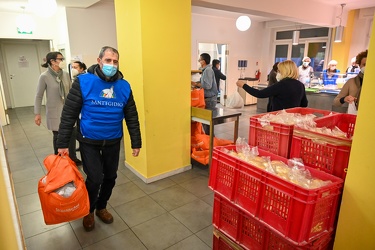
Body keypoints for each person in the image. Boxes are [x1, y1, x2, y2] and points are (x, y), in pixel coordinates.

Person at [56, 46, 141, 232]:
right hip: (89, 140)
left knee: (110, 176)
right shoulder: (83, 82)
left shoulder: (124, 86)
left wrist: (136, 142)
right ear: (99, 60)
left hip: (112, 140)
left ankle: (102, 206)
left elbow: (132, 116)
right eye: (108, 60)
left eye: (115, 61)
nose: (112, 64)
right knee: (95, 178)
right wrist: (62, 144)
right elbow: (69, 114)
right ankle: (89, 210)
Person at [34, 52, 82, 165]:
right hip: (54, 112)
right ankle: (59, 161)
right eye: (61, 59)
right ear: (52, 61)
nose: (63, 61)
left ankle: (72, 158)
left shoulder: (65, 74)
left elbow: (71, 92)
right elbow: (38, 95)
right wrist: (37, 113)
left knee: (72, 134)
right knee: (59, 137)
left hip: (68, 111)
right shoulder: (44, 76)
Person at [236, 60, 308, 111]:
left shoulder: (281, 85)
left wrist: (244, 85)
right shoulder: (300, 85)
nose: (277, 73)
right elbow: (304, 104)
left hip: (279, 118)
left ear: (285, 71)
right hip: (293, 118)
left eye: (279, 71)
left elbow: (259, 94)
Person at [191, 53, 218, 134]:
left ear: (204, 61)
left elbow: (208, 85)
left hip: (210, 99)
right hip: (206, 98)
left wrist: (195, 84)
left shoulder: (208, 70)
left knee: (207, 123)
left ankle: (210, 141)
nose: (199, 61)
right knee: (205, 122)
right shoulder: (203, 70)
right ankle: (208, 140)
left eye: (200, 59)